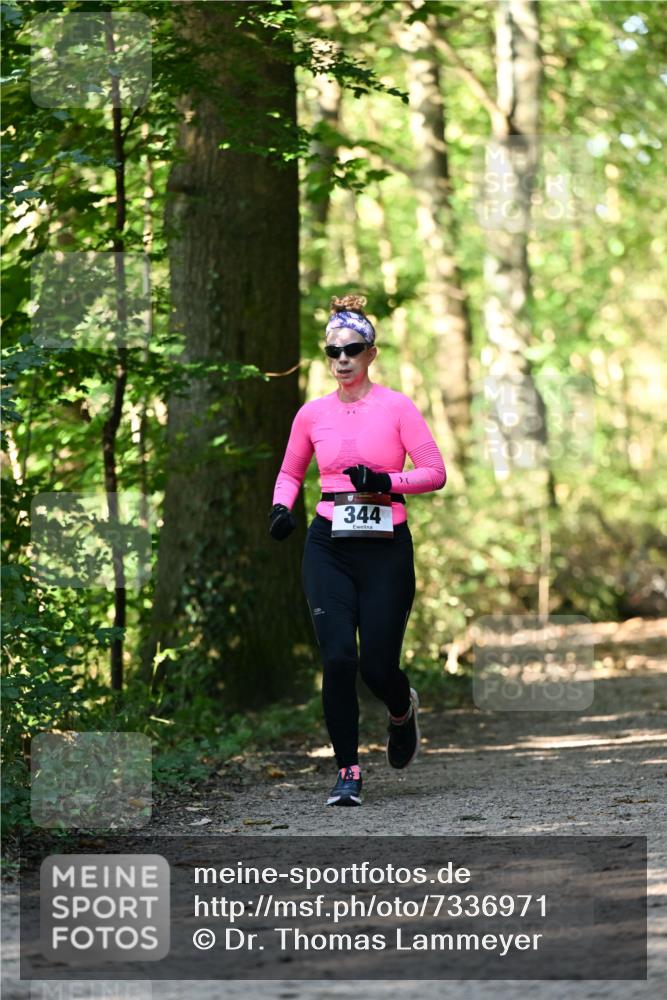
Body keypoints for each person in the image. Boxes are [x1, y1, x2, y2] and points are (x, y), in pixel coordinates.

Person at [268, 294, 446, 806]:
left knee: (377, 669)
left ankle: (401, 710)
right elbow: (290, 473)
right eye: (333, 351)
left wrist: (386, 481)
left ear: (371, 353)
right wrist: (280, 509)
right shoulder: (312, 414)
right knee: (340, 658)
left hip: (385, 547)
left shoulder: (397, 407)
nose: (342, 359)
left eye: (352, 350)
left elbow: (435, 472)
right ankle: (347, 771)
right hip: (329, 545)